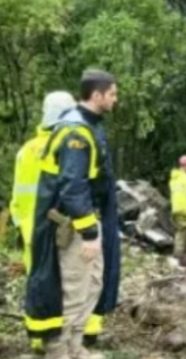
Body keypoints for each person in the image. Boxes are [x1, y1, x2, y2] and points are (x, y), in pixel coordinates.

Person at [24, 69, 121, 359]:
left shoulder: (90, 125)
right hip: (74, 226)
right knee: (73, 289)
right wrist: (90, 233)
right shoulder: (75, 132)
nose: (116, 99)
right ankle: (58, 352)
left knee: (92, 284)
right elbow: (72, 186)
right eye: (113, 94)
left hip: (88, 220)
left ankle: (75, 348)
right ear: (97, 95)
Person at [12, 92, 77, 355]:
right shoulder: (66, 147)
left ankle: (37, 336)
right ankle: (59, 334)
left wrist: (21, 223)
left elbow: (17, 195)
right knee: (61, 280)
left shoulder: (26, 150)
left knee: (36, 278)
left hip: (30, 227)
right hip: (57, 225)